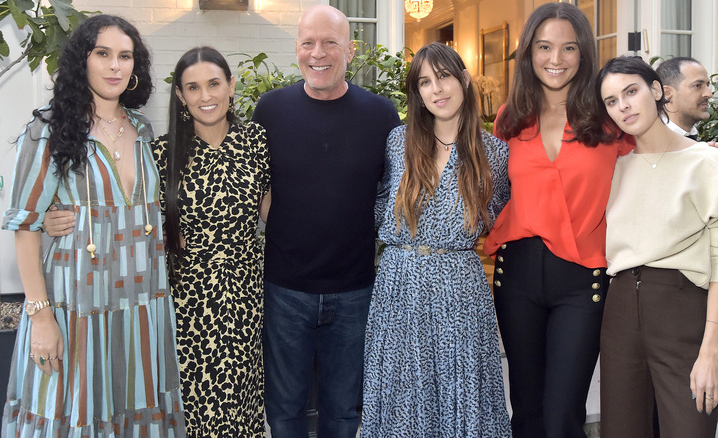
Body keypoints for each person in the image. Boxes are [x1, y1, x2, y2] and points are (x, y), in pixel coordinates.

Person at [0, 15, 185, 436]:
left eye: (125, 56)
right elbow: (25, 226)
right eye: (103, 54)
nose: (115, 66)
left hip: (141, 301)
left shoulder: (142, 129)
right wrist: (41, 317)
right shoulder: (47, 130)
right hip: (76, 303)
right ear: (81, 61)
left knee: (133, 411)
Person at [482, 3, 635, 437]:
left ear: (584, 53)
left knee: (563, 414)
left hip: (583, 276)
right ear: (529, 53)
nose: (555, 58)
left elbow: (655, 150)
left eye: (568, 48)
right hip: (517, 274)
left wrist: (698, 151)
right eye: (544, 47)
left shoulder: (608, 117)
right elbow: (493, 188)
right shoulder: (511, 116)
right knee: (526, 410)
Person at [251, 4, 400, 437]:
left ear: (350, 51)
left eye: (330, 42)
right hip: (285, 290)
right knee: (284, 412)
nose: (318, 53)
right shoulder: (270, 110)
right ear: (296, 49)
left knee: (343, 413)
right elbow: (254, 186)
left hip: (355, 291)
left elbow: (397, 193)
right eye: (308, 43)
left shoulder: (381, 116)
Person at [360, 42, 512, 437]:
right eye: (425, 82)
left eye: (443, 76)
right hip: (399, 287)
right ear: (418, 93)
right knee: (401, 397)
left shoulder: (495, 153)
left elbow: (501, 216)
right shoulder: (397, 142)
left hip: (459, 292)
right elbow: (376, 203)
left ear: (464, 79)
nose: (436, 89)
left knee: (460, 394)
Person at [596, 55, 718, 438]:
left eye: (630, 91)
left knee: (690, 427)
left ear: (658, 91)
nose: (623, 106)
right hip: (618, 315)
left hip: (683, 312)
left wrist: (711, 352)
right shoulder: (613, 167)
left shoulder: (710, 162)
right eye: (612, 101)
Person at [151, 47, 270, 437]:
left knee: (242, 399)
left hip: (245, 292)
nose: (206, 96)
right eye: (193, 87)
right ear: (181, 96)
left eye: (214, 83)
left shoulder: (257, 142)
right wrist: (58, 215)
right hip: (188, 300)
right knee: (196, 403)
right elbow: (130, 213)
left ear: (231, 86)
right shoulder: (162, 152)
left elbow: (275, 212)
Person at [656, 57, 713, 138]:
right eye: (697, 85)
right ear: (667, 93)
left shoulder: (691, 138)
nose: (709, 94)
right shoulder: (653, 143)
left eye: (707, 85)